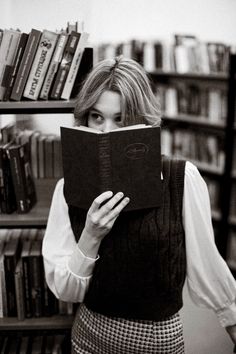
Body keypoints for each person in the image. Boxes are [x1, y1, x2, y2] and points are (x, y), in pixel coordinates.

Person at [42, 56, 236, 354]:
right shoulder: (66, 189)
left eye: (120, 119)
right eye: (96, 117)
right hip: (90, 338)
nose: (106, 131)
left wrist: (232, 321)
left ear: (143, 122)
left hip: (158, 341)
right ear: (84, 118)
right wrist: (91, 236)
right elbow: (67, 291)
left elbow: (207, 269)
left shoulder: (181, 178)